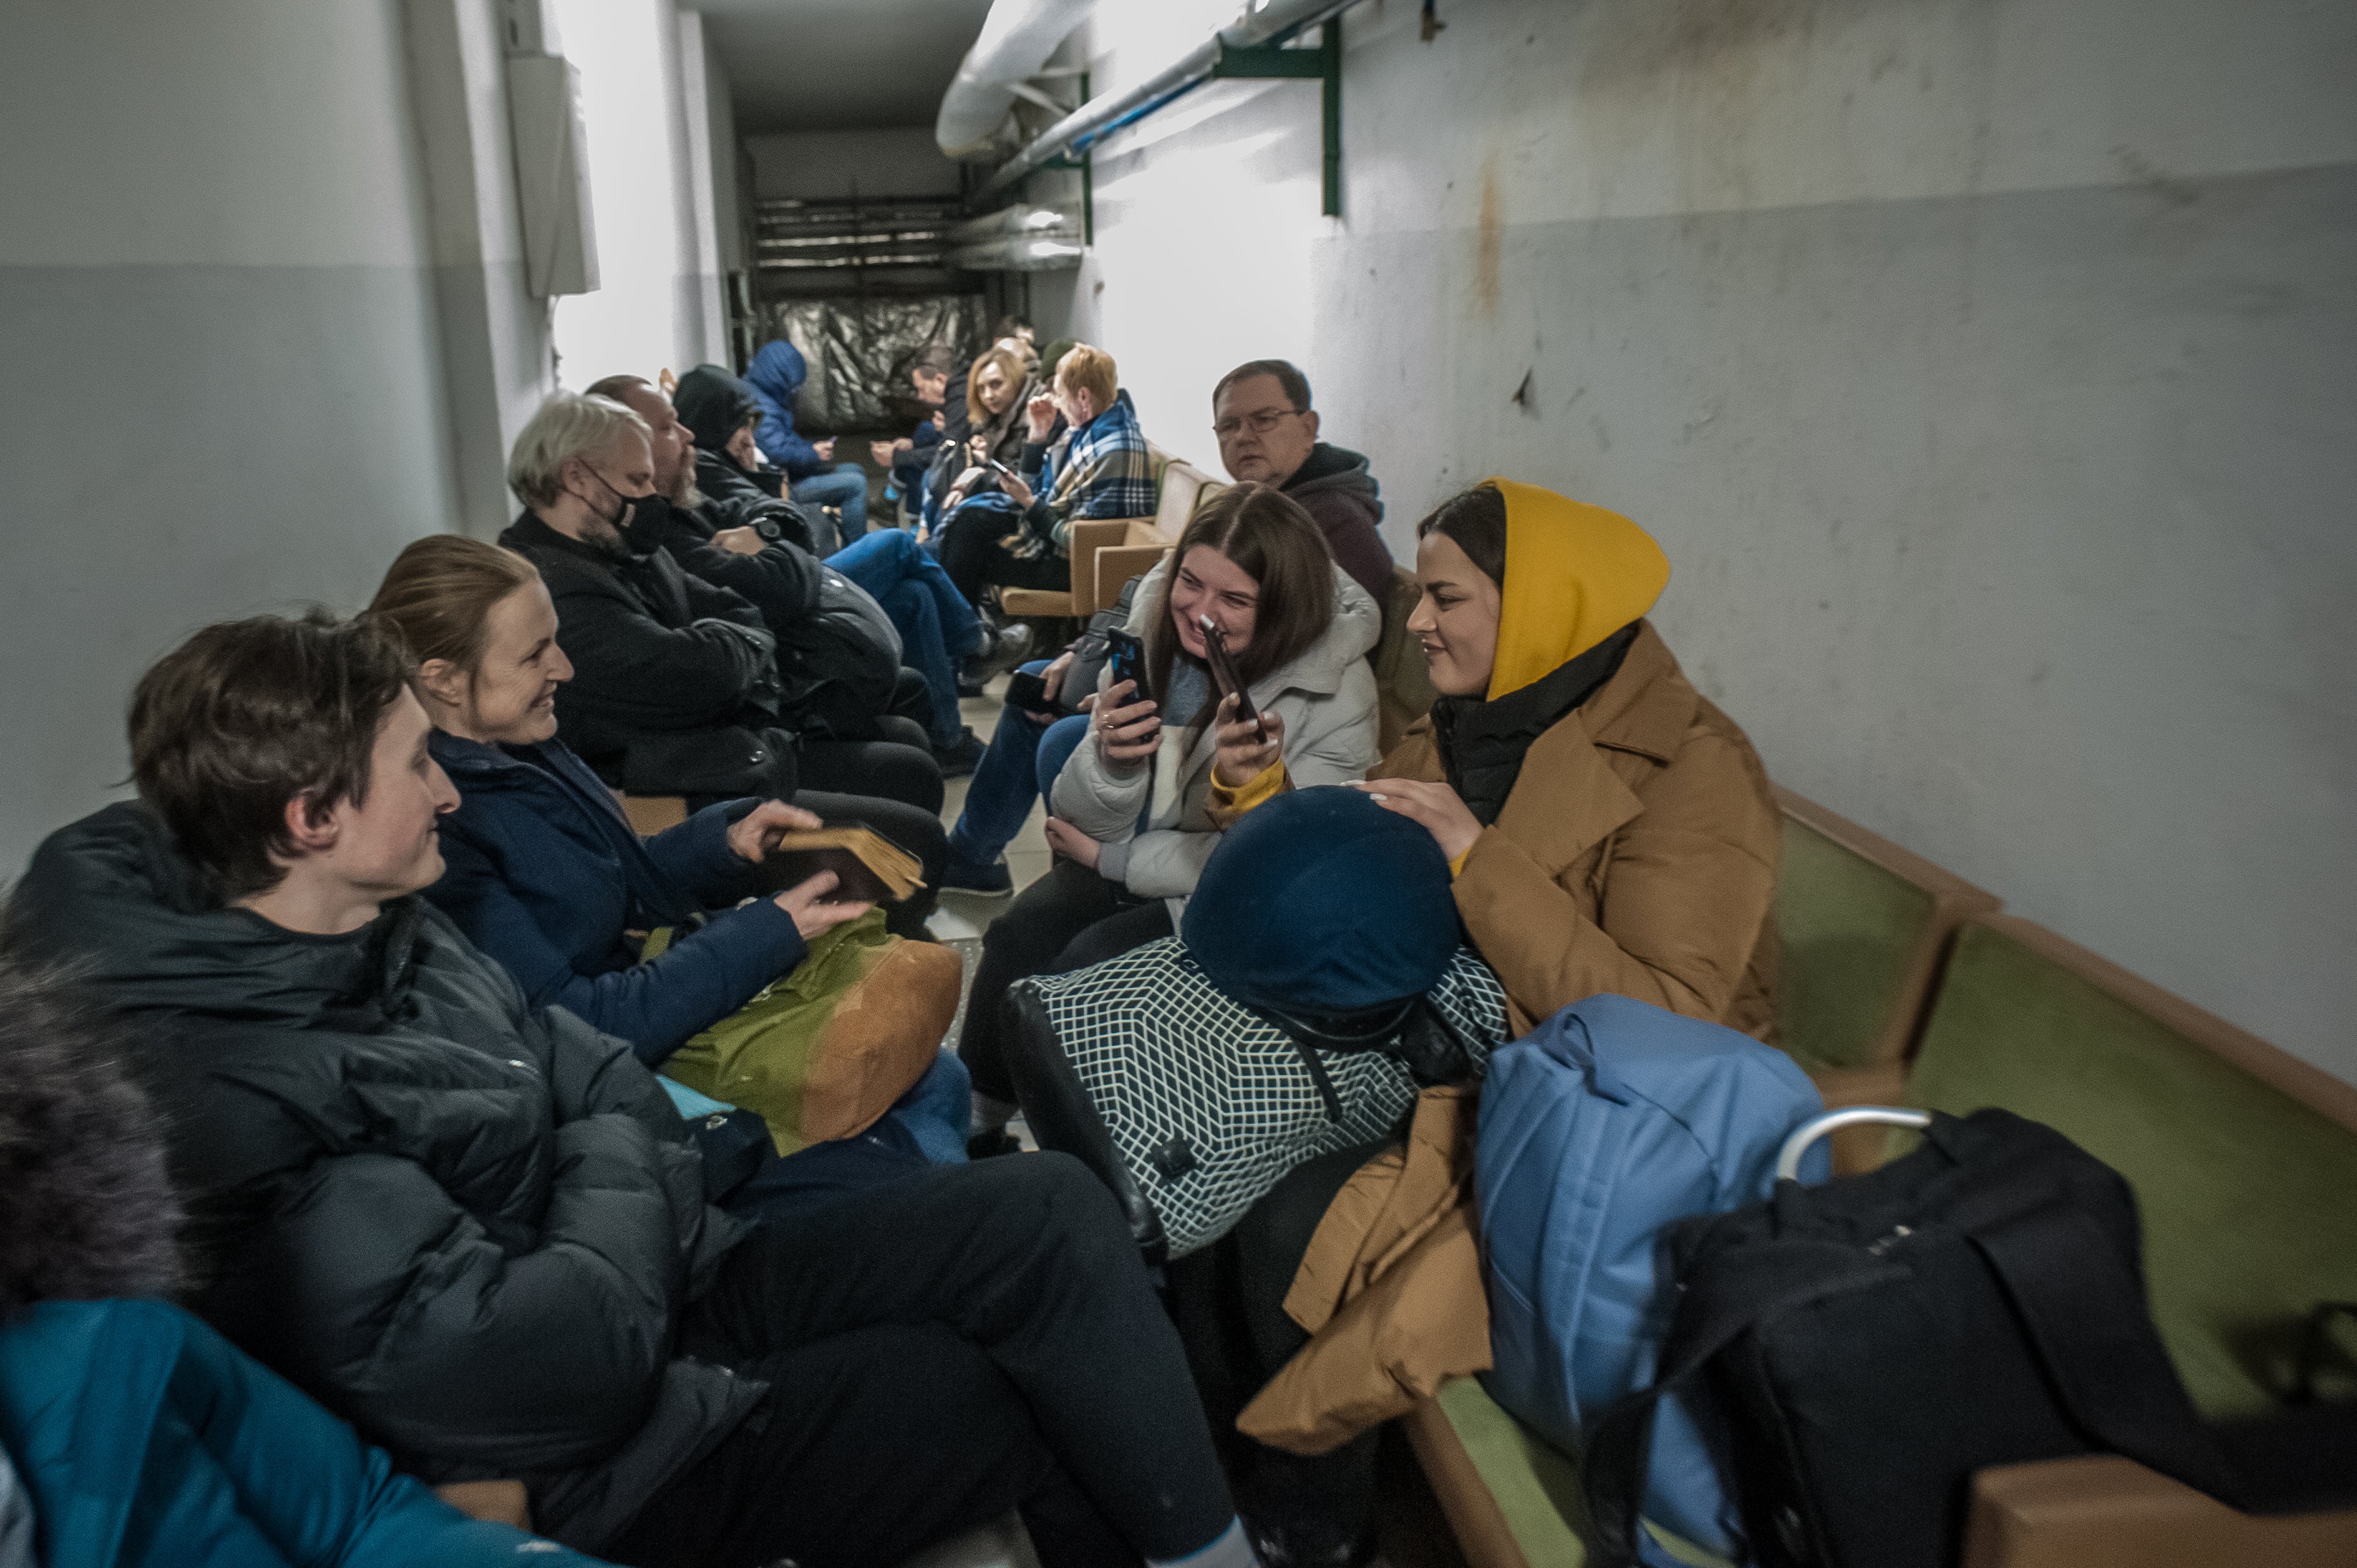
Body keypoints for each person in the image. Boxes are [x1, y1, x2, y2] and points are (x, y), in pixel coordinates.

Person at [5, 611, 1266, 1568]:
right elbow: (555, 1357)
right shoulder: (239, 1100)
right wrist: (613, 1149)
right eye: (412, 765)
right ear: (310, 817)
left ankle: (1206, 1553)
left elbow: (589, 1072)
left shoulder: (369, 921)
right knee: (1019, 1391)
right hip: (606, 1441)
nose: (448, 786)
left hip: (663, 1267)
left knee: (1040, 1212)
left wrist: (602, 1146)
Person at [1224, 480, 1783, 1545]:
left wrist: (1479, 860)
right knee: (1226, 1126)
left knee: (1294, 1217)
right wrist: (1255, 800)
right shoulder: (1478, 721)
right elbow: (1365, 861)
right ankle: (1226, 1451)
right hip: (1458, 1044)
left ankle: (1315, 1526)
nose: (1417, 621)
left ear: (1539, 607)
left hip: (1587, 1120)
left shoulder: (1694, 768)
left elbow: (1670, 1024)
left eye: (1445, 598)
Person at [371, 535, 969, 1179]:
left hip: (652, 1002)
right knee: (914, 1142)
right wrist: (769, 932)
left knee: (938, 1074)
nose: (565, 669)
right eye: (534, 653)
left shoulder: (521, 746)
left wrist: (722, 841)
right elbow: (586, 1027)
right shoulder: (444, 834)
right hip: (615, 1089)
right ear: (442, 680)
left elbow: (614, 883)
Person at [0, 953, 610, 1567]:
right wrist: (610, 1140)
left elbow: (355, 1520)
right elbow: (554, 1348)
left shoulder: (101, 1342)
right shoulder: (274, 1110)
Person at [960, 484, 1381, 1152]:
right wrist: (1112, 762)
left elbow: (1283, 868)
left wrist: (1239, 796)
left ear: (1281, 608)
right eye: (1191, 580)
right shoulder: (1155, 621)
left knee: (1077, 973)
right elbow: (1086, 822)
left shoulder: (1335, 693)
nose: (1200, 613)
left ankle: (1093, 1171)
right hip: (1155, 852)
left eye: (1234, 600)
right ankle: (977, 1127)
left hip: (1230, 895)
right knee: (1019, 934)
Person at [497, 392, 950, 825]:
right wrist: (735, 649)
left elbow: (740, 612)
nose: (650, 496)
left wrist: (731, 645)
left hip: (724, 748)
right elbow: (700, 673)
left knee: (905, 738)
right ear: (576, 478)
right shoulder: (550, 590)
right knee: (910, 779)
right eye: (636, 481)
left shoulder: (620, 544)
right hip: (677, 788)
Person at [593, 373, 1014, 775]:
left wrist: (765, 526)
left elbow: (774, 516)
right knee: (899, 545)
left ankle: (947, 738)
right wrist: (775, 535)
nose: (686, 436)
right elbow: (782, 576)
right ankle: (975, 645)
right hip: (791, 635)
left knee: (915, 594)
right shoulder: (674, 504)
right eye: (670, 427)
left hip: (793, 600)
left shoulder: (686, 482)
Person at [935, 343, 1156, 609]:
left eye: (1060, 395)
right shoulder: (1087, 431)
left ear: (1083, 398)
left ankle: (964, 637)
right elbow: (1036, 490)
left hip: (1076, 564)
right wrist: (1037, 437)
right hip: (1057, 538)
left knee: (969, 543)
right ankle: (967, 632)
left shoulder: (1110, 449)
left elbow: (1079, 539)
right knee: (969, 522)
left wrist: (1029, 503)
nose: (1058, 405)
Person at [1210, 359, 1394, 607]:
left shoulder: (1338, 522)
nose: (1242, 437)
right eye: (1229, 426)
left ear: (1308, 428)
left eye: (1264, 420)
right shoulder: (1256, 504)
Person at [744, 338, 864, 551]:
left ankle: (852, 546)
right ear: (781, 376)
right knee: (855, 484)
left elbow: (783, 441)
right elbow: (777, 453)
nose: (796, 390)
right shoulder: (760, 406)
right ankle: (859, 553)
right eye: (793, 384)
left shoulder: (763, 395)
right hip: (783, 487)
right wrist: (813, 454)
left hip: (788, 475)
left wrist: (812, 449)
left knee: (854, 469)